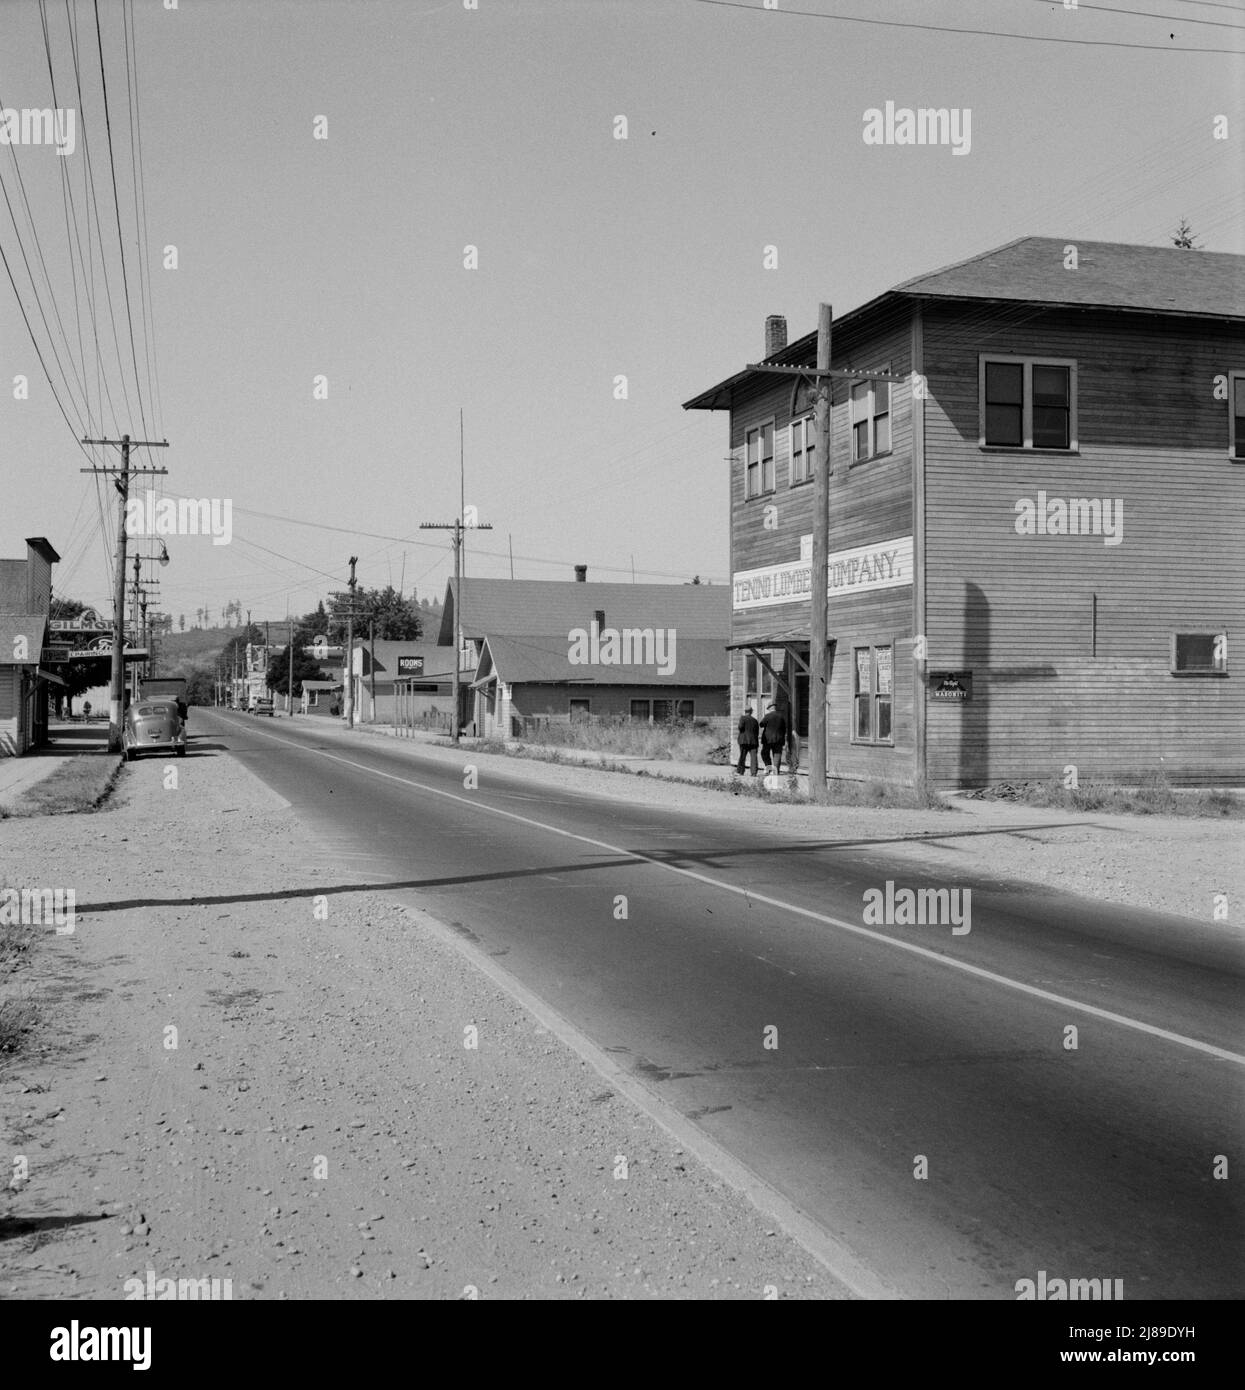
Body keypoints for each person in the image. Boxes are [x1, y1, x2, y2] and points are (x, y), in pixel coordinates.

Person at [760, 701, 788, 775]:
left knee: (764, 753)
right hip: (779, 739)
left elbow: (761, 724)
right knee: (777, 755)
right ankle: (775, 771)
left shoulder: (767, 716)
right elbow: (784, 728)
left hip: (768, 739)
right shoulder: (781, 716)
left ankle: (768, 768)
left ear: (769, 708)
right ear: (775, 707)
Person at [736, 704, 759, 776]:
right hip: (753, 741)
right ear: (751, 712)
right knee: (754, 757)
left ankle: (740, 771)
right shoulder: (755, 720)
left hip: (744, 741)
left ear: (745, 711)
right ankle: (754, 772)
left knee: (742, 756)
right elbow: (757, 732)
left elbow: (740, 727)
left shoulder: (742, 718)